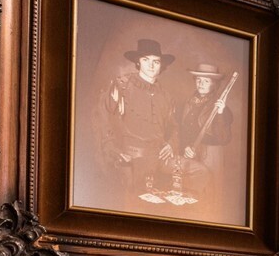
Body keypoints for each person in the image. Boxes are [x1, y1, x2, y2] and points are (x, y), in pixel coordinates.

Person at [99, 38, 177, 205]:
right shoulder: (122, 85)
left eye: (156, 61)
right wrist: (113, 150)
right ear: (137, 62)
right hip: (132, 158)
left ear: (161, 65)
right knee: (136, 203)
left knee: (199, 173)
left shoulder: (166, 95)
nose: (151, 65)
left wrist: (170, 144)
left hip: (159, 158)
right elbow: (104, 119)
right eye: (145, 60)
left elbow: (173, 127)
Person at [170, 63, 234, 206]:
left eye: (206, 81)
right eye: (198, 80)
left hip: (209, 155)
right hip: (190, 153)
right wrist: (186, 147)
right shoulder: (188, 103)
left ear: (214, 84)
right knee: (188, 194)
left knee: (208, 194)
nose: (201, 84)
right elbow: (182, 130)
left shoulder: (220, 107)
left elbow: (224, 138)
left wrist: (220, 113)